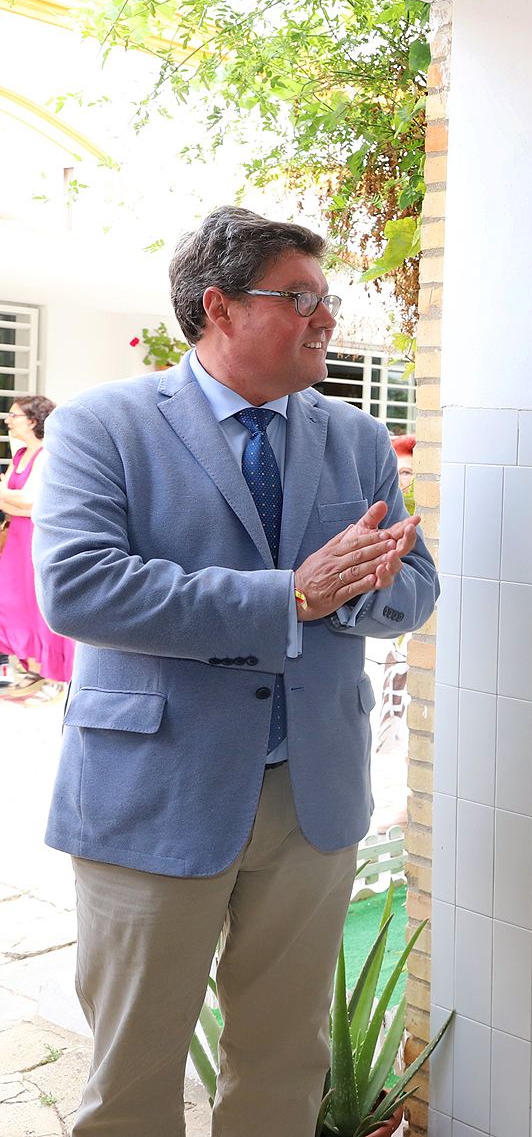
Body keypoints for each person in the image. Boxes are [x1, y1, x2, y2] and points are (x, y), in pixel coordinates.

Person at [32, 206, 439, 1136]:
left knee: (286, 1064)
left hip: (313, 793)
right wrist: (289, 595)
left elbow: (414, 585)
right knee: (132, 1080)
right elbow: (81, 589)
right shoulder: (103, 425)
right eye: (299, 298)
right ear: (218, 306)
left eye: (325, 299)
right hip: (155, 790)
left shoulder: (356, 438)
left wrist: (359, 589)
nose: (325, 318)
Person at [0, 394, 74, 699]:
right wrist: (13, 501)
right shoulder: (20, 455)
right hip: (16, 538)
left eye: (14, 415)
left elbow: (33, 503)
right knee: (12, 603)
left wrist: (11, 499)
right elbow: (11, 502)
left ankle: (54, 677)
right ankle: (32, 668)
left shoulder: (46, 454)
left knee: (41, 604)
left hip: (37, 537)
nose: (8, 420)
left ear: (32, 421)